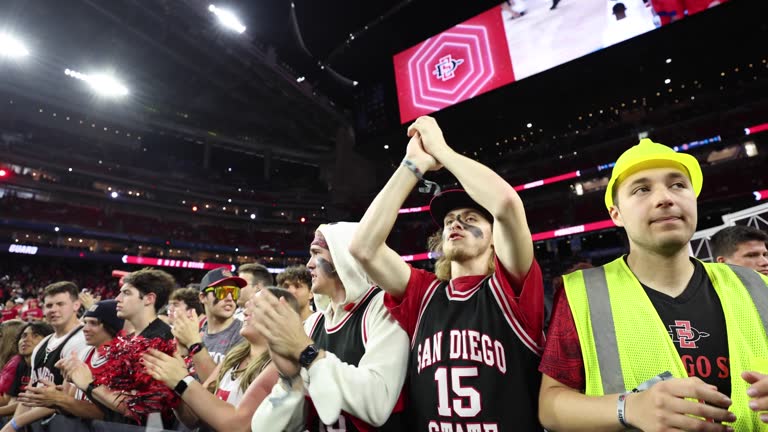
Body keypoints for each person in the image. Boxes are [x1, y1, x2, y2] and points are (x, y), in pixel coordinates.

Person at [538, 138, 768, 431]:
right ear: (616, 214)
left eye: (678, 185)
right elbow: (549, 406)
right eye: (642, 189)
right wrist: (627, 408)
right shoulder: (581, 293)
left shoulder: (756, 286)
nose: (665, 198)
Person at [349, 116, 545, 431]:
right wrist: (413, 164)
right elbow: (363, 248)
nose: (455, 223)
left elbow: (506, 203)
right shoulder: (424, 294)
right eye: (449, 220)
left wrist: (442, 151)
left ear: (495, 237)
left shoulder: (512, 288)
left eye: (471, 218)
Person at [251, 222, 409, 431]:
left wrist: (308, 354)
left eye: (316, 253)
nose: (308, 264)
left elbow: (378, 403)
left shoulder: (383, 307)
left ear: (342, 255)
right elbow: (267, 428)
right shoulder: (313, 324)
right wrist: (289, 382)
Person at [142, 287, 300, 432]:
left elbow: (238, 426)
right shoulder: (234, 356)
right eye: (248, 305)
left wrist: (182, 381)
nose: (245, 311)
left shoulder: (280, 367)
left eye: (256, 306)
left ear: (280, 316)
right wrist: (171, 383)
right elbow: (194, 418)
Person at [15, 300, 125, 424]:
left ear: (112, 327)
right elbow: (73, 403)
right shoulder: (83, 354)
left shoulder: (123, 360)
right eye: (85, 322)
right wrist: (54, 399)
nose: (85, 329)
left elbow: (109, 414)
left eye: (93, 323)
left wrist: (60, 399)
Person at [3, 281, 89, 432]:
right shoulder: (43, 344)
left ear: (76, 305)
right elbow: (31, 394)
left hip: (72, 423)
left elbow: (67, 399)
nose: (54, 310)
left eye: (60, 304)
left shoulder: (82, 340)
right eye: (49, 305)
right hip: (39, 422)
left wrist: (14, 424)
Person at [174, 268, 245, 382]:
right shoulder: (196, 329)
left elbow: (218, 387)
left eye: (234, 292)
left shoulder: (242, 334)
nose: (230, 298)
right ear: (202, 297)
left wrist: (194, 344)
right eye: (222, 292)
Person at [0, 322, 53, 419]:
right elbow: (13, 399)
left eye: (35, 336)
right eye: (23, 336)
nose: (26, 339)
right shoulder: (21, 364)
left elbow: (35, 403)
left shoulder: (50, 365)